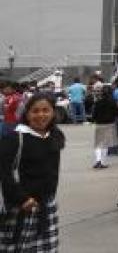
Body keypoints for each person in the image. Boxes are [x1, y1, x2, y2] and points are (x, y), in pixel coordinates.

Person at [0, 93, 65, 253]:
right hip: (21, 207)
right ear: (27, 113)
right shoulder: (15, 138)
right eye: (35, 111)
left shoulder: (55, 136)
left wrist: (50, 195)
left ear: (53, 112)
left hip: (46, 205)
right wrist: (21, 198)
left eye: (46, 110)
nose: (41, 115)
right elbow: (4, 172)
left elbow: (53, 171)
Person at [91, 84, 118, 169]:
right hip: (110, 124)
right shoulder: (112, 102)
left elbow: (94, 115)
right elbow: (116, 113)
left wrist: (95, 119)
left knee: (98, 144)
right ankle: (103, 162)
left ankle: (98, 161)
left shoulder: (98, 102)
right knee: (105, 144)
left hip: (99, 124)